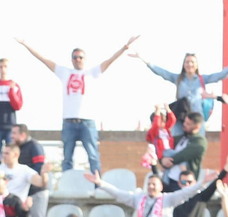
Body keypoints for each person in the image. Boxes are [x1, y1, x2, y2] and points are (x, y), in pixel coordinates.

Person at [14, 36, 138, 173]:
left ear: (84, 59)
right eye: (75, 57)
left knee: (93, 156)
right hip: (69, 121)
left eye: (80, 57)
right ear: (71, 59)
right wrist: (26, 44)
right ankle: (67, 185)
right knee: (67, 158)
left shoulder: (91, 73)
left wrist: (124, 47)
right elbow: (44, 60)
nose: (77, 60)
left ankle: (97, 186)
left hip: (87, 122)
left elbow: (109, 61)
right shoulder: (65, 72)